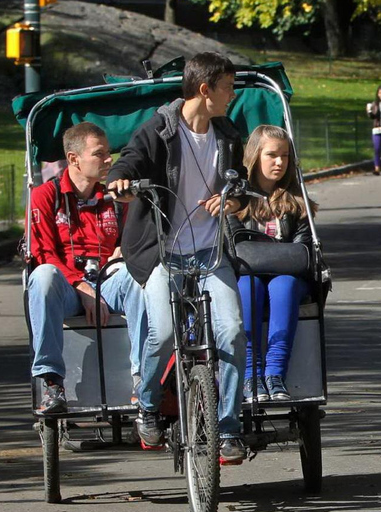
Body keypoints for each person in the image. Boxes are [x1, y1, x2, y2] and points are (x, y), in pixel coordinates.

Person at [107, 52, 249, 464]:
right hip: (162, 254)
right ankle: (148, 405)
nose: (232, 95)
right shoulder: (159, 129)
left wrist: (232, 200)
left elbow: (236, 183)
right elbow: (129, 161)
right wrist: (120, 181)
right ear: (205, 90)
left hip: (211, 253)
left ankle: (228, 430)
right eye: (227, 87)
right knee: (164, 332)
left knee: (233, 332)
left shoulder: (227, 134)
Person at [27, 122, 146, 414]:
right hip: (66, 289)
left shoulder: (115, 199)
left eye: (109, 153)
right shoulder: (45, 195)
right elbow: (42, 253)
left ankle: (144, 378)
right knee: (42, 276)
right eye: (100, 153)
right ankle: (52, 381)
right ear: (73, 159)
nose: (109, 160)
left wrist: (126, 249)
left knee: (142, 275)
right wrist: (80, 286)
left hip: (108, 281)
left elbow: (131, 245)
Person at [231, 125, 317, 402]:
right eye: (272, 155)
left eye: (285, 156)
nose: (279, 162)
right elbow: (233, 246)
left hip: (287, 277)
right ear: (255, 156)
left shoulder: (296, 202)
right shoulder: (235, 200)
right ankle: (251, 375)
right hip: (247, 276)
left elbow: (302, 251)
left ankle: (275, 373)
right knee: (248, 285)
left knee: (284, 285)